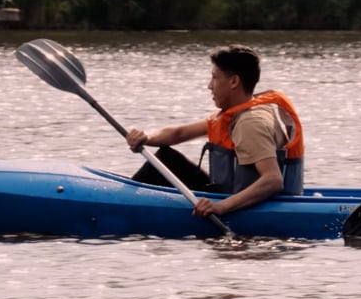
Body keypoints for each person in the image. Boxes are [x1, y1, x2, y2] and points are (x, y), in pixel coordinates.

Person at [126, 45, 305, 217]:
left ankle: (123, 204)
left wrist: (221, 207)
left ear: (234, 81)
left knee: (162, 164)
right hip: (227, 193)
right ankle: (127, 201)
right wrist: (146, 137)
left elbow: (273, 180)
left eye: (214, 78)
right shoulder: (239, 113)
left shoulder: (250, 123)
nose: (209, 85)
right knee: (166, 158)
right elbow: (179, 133)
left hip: (240, 204)